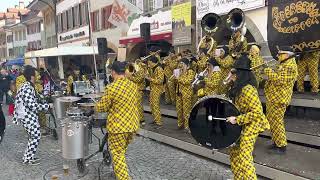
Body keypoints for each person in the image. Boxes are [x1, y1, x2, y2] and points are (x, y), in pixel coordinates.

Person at [226, 55, 270, 180]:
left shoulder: (248, 89)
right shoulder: (238, 87)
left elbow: (257, 113)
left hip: (253, 123)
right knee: (234, 153)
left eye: (234, 73)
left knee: (244, 156)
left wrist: (237, 119)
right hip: (243, 122)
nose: (232, 75)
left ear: (241, 74)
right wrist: (228, 80)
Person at [95, 61, 139, 180]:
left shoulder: (111, 87)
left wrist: (96, 105)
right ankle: (118, 172)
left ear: (113, 72)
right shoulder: (133, 85)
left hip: (118, 128)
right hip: (132, 126)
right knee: (121, 152)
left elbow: (102, 107)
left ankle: (123, 177)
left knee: (118, 155)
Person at [12, 66, 50, 165]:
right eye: (36, 74)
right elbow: (32, 106)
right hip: (27, 116)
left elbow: (33, 100)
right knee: (35, 136)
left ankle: (29, 157)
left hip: (29, 115)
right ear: (32, 76)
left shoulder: (28, 85)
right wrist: (47, 106)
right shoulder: (27, 87)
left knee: (33, 137)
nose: (38, 76)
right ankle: (27, 159)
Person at [264, 46, 298, 154]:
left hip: (279, 99)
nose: (277, 56)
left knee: (277, 122)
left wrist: (268, 70)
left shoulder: (290, 66)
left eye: (280, 54)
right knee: (272, 121)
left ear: (287, 55)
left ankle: (282, 145)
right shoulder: (284, 64)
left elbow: (280, 80)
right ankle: (276, 142)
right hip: (274, 97)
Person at [176, 58, 195, 133]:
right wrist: (176, 76)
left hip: (187, 93)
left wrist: (179, 78)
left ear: (187, 65)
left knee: (187, 110)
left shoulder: (190, 71)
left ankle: (188, 126)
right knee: (179, 109)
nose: (181, 65)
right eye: (180, 64)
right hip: (179, 92)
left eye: (182, 64)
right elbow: (176, 80)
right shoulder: (179, 71)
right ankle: (180, 124)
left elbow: (188, 81)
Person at [126, 59, 147, 125]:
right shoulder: (131, 69)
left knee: (138, 105)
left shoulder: (140, 70)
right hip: (133, 89)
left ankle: (141, 119)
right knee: (133, 105)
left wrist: (130, 77)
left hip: (139, 90)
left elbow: (139, 79)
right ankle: (136, 118)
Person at [146, 56, 164, 127]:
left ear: (155, 62)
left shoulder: (159, 68)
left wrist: (150, 79)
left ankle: (159, 122)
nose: (149, 64)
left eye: (150, 63)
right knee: (152, 105)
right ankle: (155, 119)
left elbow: (160, 80)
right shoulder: (152, 68)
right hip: (152, 89)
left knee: (155, 105)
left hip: (157, 89)